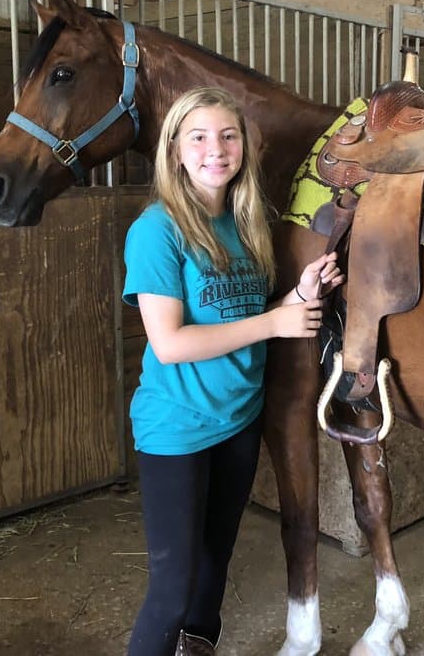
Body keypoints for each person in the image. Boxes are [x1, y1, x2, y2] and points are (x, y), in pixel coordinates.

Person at [122, 87, 343, 656]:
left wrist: (298, 293)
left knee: (214, 565)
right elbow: (169, 344)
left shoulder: (246, 225)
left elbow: (243, 313)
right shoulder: (158, 229)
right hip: (177, 429)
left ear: (243, 146)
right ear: (174, 150)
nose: (214, 149)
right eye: (197, 137)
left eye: (227, 135)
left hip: (237, 422)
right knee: (172, 590)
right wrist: (277, 325)